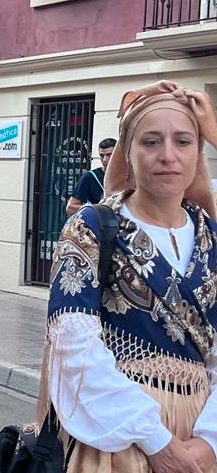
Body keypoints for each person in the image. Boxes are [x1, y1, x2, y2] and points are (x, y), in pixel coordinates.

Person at [42, 81, 217, 473]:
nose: (168, 156)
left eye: (184, 141)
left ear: (198, 153)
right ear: (128, 153)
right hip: (117, 436)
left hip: (200, 432)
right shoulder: (92, 227)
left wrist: (209, 441)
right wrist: (157, 441)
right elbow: (73, 345)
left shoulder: (211, 235)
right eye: (151, 142)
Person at [66, 137, 117, 216]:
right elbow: (70, 207)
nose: (105, 159)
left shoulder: (130, 176)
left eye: (109, 155)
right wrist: (97, 209)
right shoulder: (90, 177)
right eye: (102, 155)